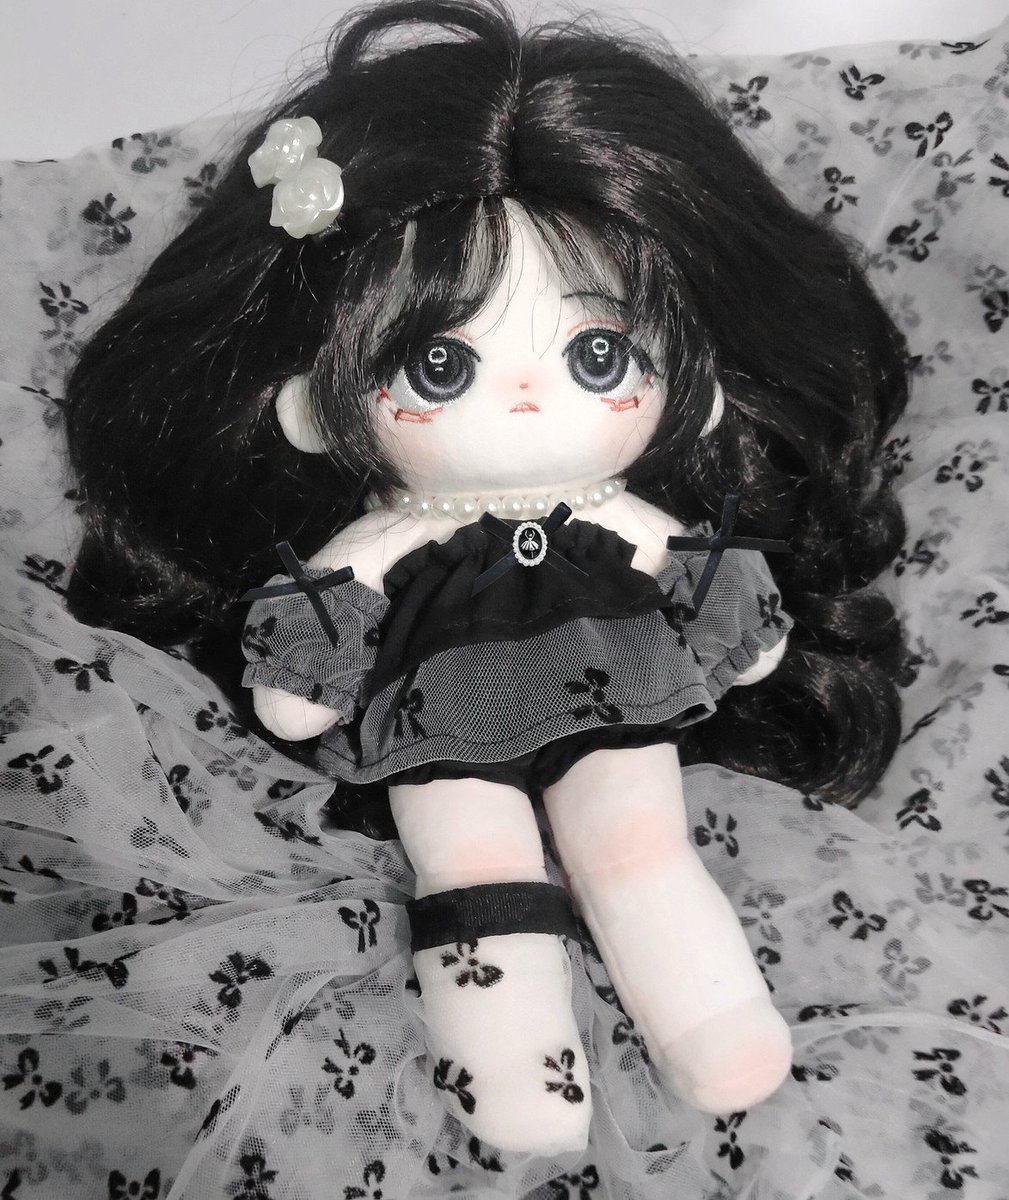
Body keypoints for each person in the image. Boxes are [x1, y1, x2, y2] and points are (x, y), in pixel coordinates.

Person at [64, 0, 907, 1156]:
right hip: (438, 717)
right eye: (438, 363)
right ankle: (514, 1058)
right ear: (319, 398)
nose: (521, 398)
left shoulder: (617, 511)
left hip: (615, 694)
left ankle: (710, 1014)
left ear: (691, 380)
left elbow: (692, 569)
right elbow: (332, 601)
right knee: (469, 865)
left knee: (637, 846)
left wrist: (745, 632)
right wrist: (302, 678)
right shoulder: (387, 533)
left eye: (597, 354)